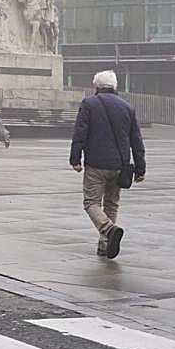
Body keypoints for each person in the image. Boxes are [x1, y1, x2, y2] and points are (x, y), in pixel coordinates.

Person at [70, 70, 147, 259]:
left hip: (96, 163)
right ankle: (105, 246)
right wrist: (140, 168)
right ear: (115, 87)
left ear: (96, 87)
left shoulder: (89, 104)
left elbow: (80, 132)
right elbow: (136, 139)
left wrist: (75, 158)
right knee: (111, 204)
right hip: (120, 165)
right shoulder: (127, 107)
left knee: (91, 203)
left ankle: (108, 230)